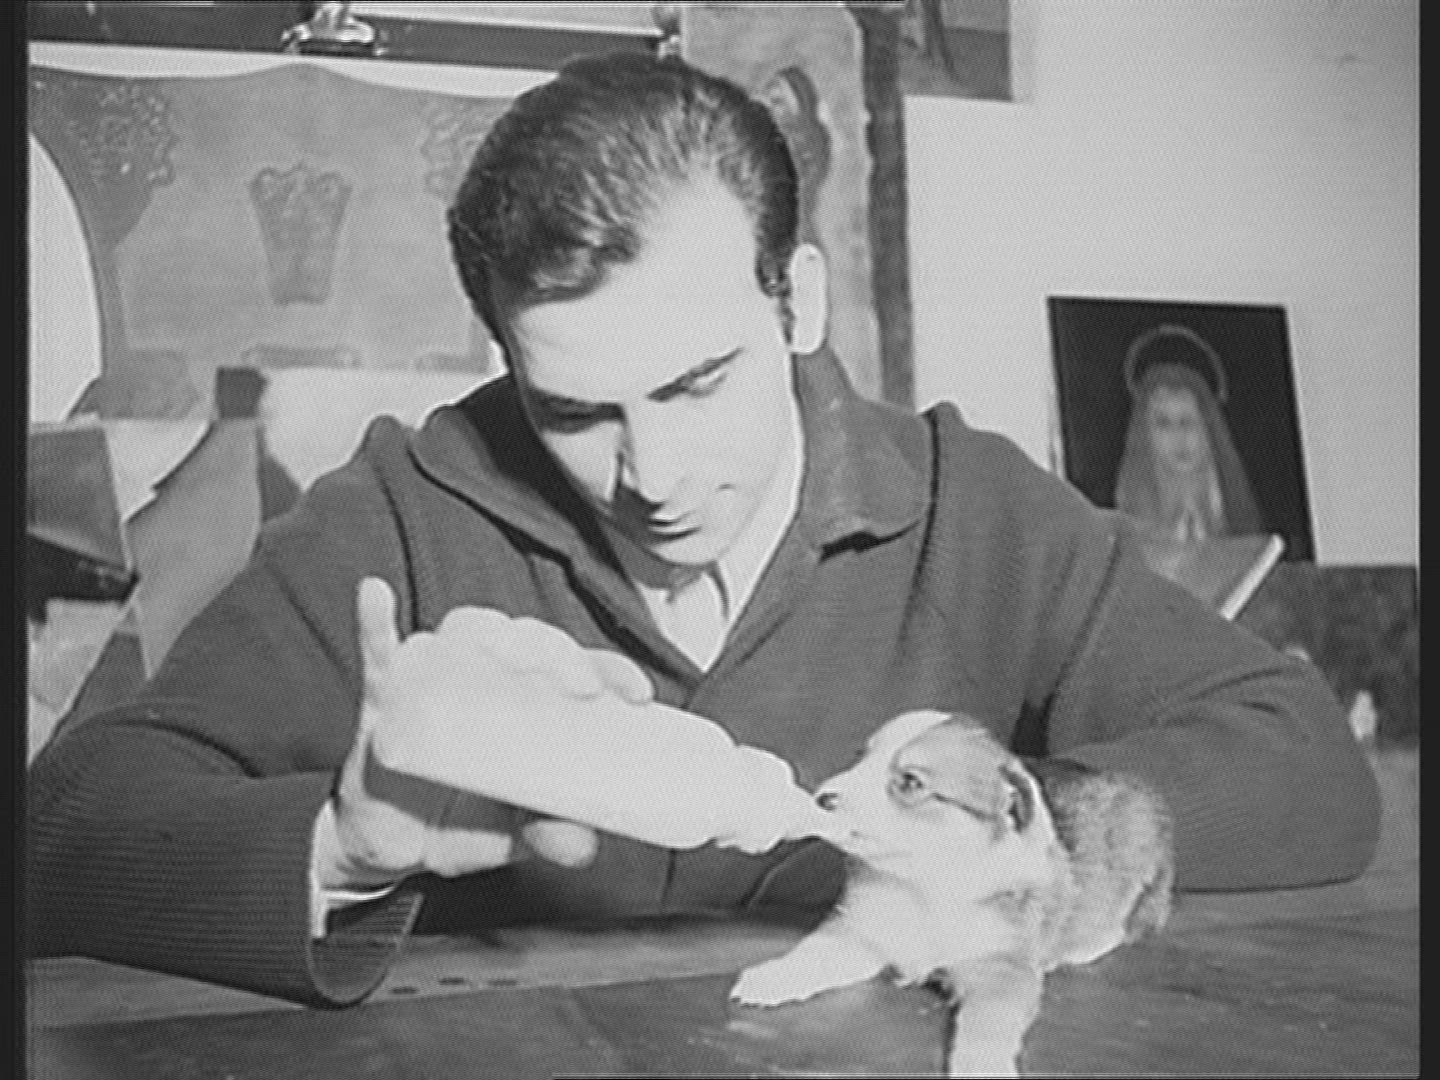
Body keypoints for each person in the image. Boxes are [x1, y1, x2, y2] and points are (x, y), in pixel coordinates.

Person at [27, 52, 1379, 1008]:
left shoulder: (974, 505)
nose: (654, 477)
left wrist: (984, 820)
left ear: (799, 301)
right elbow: (60, 833)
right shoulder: (399, 512)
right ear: (503, 357)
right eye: (574, 410)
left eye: (697, 383)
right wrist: (344, 842)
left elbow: (1304, 762)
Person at [1114, 323, 1264, 547]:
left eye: (1188, 422)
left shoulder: (1235, 511)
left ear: (1208, 428)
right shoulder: (1127, 529)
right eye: (1163, 424)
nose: (1179, 437)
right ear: (1146, 435)